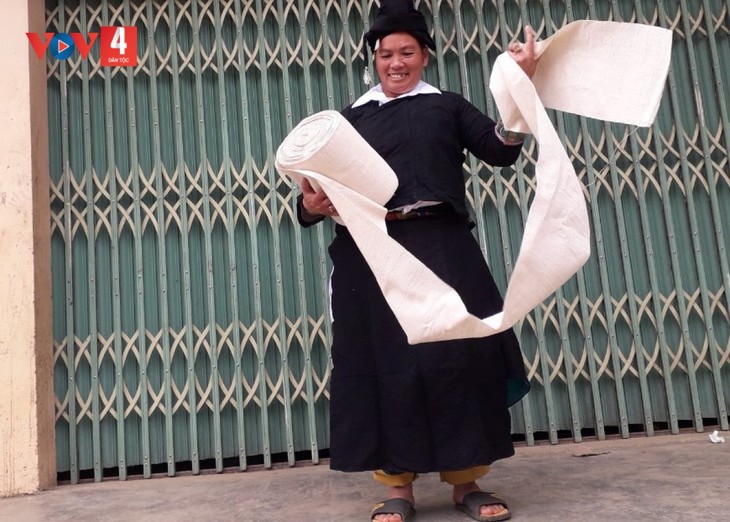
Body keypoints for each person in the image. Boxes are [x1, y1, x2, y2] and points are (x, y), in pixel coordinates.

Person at [296, 1, 536, 521]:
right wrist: (309, 206)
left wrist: (520, 87)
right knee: (388, 365)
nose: (396, 62)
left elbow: (501, 149)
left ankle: (466, 483)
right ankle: (397, 488)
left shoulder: (448, 107)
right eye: (386, 54)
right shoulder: (348, 121)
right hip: (373, 254)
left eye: (406, 52)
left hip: (444, 248)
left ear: (425, 55)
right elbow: (314, 193)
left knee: (457, 360)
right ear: (373, 60)